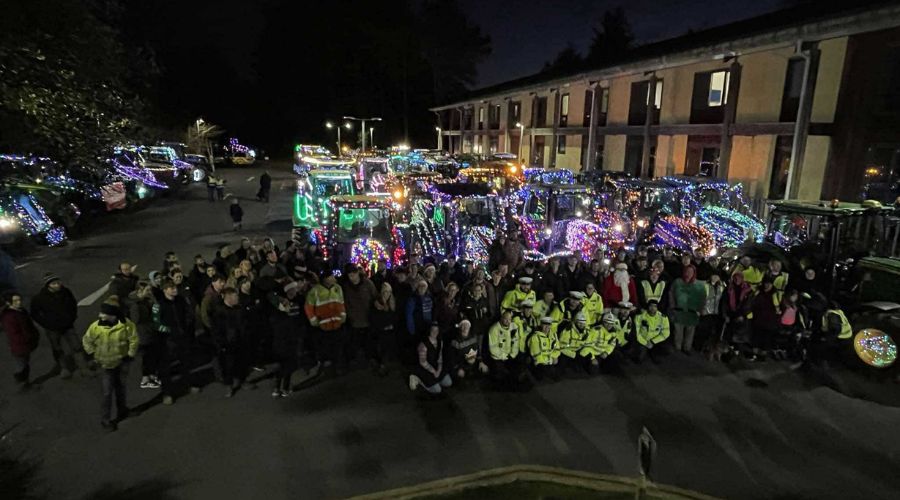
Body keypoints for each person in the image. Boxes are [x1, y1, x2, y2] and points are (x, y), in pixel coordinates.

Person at [82, 299, 138, 431]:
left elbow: (133, 339)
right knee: (107, 393)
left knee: (121, 389)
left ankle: (122, 410)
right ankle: (105, 420)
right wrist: (93, 355)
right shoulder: (96, 327)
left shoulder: (126, 325)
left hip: (121, 362)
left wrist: (130, 354)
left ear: (112, 315)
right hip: (105, 365)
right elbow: (87, 340)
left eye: (103, 313)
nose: (100, 315)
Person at [30, 273, 90, 378]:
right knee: (57, 349)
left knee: (77, 347)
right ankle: (64, 369)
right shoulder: (39, 298)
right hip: (52, 329)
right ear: (48, 285)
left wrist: (72, 317)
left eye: (58, 282)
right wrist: (46, 324)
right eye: (54, 283)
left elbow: (73, 304)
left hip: (68, 326)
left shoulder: (66, 292)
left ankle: (84, 368)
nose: (57, 285)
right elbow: (35, 313)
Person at [153, 280, 198, 405]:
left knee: (186, 363)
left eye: (175, 287)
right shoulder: (158, 305)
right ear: (164, 290)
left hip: (183, 338)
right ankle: (167, 393)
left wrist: (186, 327)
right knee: (165, 369)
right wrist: (170, 331)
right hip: (167, 341)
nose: (174, 289)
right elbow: (156, 325)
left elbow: (189, 314)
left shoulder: (181, 301)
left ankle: (189, 385)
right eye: (171, 288)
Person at [304, 271, 347, 372]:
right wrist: (314, 321)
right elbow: (308, 307)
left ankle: (336, 366)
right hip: (323, 325)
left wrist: (343, 317)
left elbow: (341, 303)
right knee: (325, 347)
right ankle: (324, 365)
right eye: (332, 276)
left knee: (337, 347)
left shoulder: (337, 288)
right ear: (326, 279)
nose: (334, 278)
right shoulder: (315, 291)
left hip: (337, 324)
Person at [211, 287, 248, 397]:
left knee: (241, 363)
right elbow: (216, 331)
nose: (238, 298)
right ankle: (229, 386)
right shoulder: (219, 313)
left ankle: (241, 380)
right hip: (227, 344)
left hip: (240, 342)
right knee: (228, 366)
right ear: (228, 297)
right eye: (235, 296)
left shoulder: (239, 309)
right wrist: (221, 344)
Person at [1, 292, 40, 388]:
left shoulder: (21, 311)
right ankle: (21, 383)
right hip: (19, 346)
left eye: (19, 300)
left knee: (25, 363)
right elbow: (14, 335)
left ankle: (25, 382)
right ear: (8, 303)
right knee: (21, 365)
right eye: (15, 301)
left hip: (25, 344)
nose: (19, 302)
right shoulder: (8, 317)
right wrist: (28, 338)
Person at [271, 283, 303, 397]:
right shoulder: (281, 312)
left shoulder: (296, 302)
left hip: (287, 341)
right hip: (284, 342)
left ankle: (281, 388)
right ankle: (280, 388)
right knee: (284, 366)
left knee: (286, 366)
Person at [342, 266, 377, 363]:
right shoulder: (347, 287)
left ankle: (369, 358)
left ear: (357, 273)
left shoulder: (368, 284)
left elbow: (374, 297)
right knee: (354, 342)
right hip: (354, 320)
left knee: (368, 342)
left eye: (353, 275)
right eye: (350, 275)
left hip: (367, 318)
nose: (352, 278)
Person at [129, 281, 161, 390]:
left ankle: (152, 375)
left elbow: (157, 309)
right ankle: (145, 379)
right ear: (139, 291)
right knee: (146, 358)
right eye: (147, 290)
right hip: (143, 334)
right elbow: (136, 321)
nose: (149, 292)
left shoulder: (147, 301)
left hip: (149, 333)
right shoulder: (135, 305)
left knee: (152, 356)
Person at [669, 265, 706, 354]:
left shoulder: (699, 285)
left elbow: (703, 298)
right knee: (678, 331)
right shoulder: (677, 282)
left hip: (692, 312)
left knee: (690, 332)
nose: (688, 273)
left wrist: (700, 309)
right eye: (687, 271)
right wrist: (672, 305)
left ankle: (687, 348)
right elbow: (671, 293)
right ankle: (678, 347)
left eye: (691, 272)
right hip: (679, 310)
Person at [487, 310, 526, 390]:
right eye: (505, 319)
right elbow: (493, 348)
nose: (508, 321)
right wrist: (504, 356)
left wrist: (512, 355)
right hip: (498, 358)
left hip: (509, 356)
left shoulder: (514, 327)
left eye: (510, 319)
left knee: (518, 366)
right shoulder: (494, 329)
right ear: (501, 318)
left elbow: (516, 342)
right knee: (500, 377)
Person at [410, 323, 453, 394]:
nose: (435, 332)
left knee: (448, 383)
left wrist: (439, 370)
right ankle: (417, 378)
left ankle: (436, 380)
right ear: (429, 331)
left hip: (436, 366)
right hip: (425, 368)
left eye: (437, 331)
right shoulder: (423, 344)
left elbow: (440, 357)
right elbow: (422, 362)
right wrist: (433, 371)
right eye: (433, 330)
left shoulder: (440, 342)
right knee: (437, 390)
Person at [369, 282, 397, 376]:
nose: (387, 294)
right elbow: (374, 318)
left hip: (390, 331)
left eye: (388, 292)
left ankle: (385, 364)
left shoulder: (392, 302)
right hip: (381, 331)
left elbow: (393, 316)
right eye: (385, 292)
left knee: (387, 349)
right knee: (382, 349)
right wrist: (385, 324)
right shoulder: (377, 303)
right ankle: (382, 366)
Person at [450, 319, 488, 384]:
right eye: (463, 325)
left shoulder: (473, 337)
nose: (465, 327)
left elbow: (477, 351)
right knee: (460, 376)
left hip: (472, 362)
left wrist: (481, 362)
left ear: (469, 327)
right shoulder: (455, 341)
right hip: (461, 364)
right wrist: (459, 368)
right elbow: (452, 357)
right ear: (460, 327)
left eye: (467, 325)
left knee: (485, 369)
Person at [750, 278, 780, 360]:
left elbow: (777, 306)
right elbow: (752, 301)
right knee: (756, 336)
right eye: (766, 283)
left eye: (769, 284)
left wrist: (777, 312)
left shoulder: (774, 294)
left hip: (769, 319)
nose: (767, 285)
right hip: (758, 317)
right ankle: (754, 353)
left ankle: (763, 354)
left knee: (766, 337)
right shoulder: (759, 292)